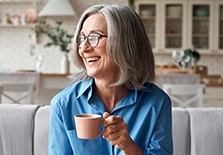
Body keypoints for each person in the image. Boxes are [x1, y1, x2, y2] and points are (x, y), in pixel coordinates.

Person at [49, 4, 173, 155]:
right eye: (82, 38)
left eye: (94, 37)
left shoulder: (157, 103)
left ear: (125, 43)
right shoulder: (63, 104)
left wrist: (128, 146)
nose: (83, 48)